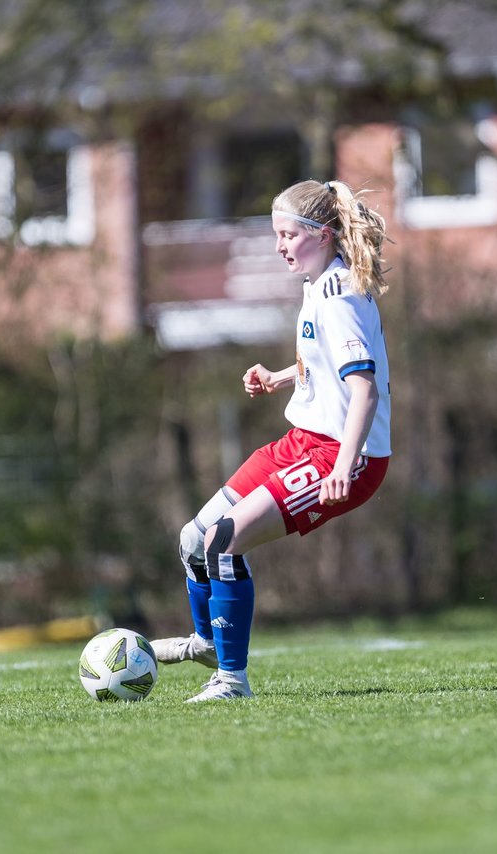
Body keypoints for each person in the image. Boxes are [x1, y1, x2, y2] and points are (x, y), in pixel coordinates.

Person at [151, 180, 392, 702]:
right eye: (275, 234)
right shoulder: (318, 283)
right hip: (304, 440)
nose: (279, 245)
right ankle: (209, 641)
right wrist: (284, 376)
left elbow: (364, 389)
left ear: (322, 235)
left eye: (287, 234)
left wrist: (342, 467)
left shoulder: (338, 294)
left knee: (224, 541)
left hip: (343, 455)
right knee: (194, 540)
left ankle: (232, 681)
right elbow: (328, 362)